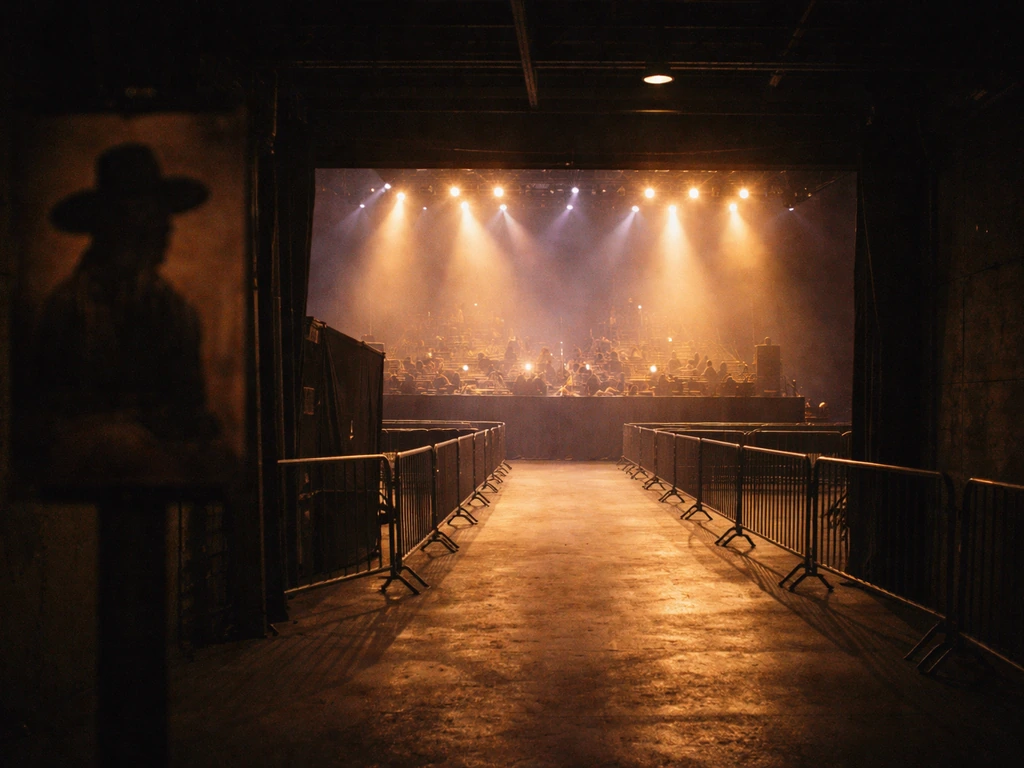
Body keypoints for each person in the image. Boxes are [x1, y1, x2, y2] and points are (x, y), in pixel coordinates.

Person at [28, 143, 231, 486]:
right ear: (112, 225)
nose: (166, 228)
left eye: (162, 215)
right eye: (148, 215)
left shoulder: (175, 311)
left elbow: (191, 408)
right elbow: (43, 415)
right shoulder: (67, 307)